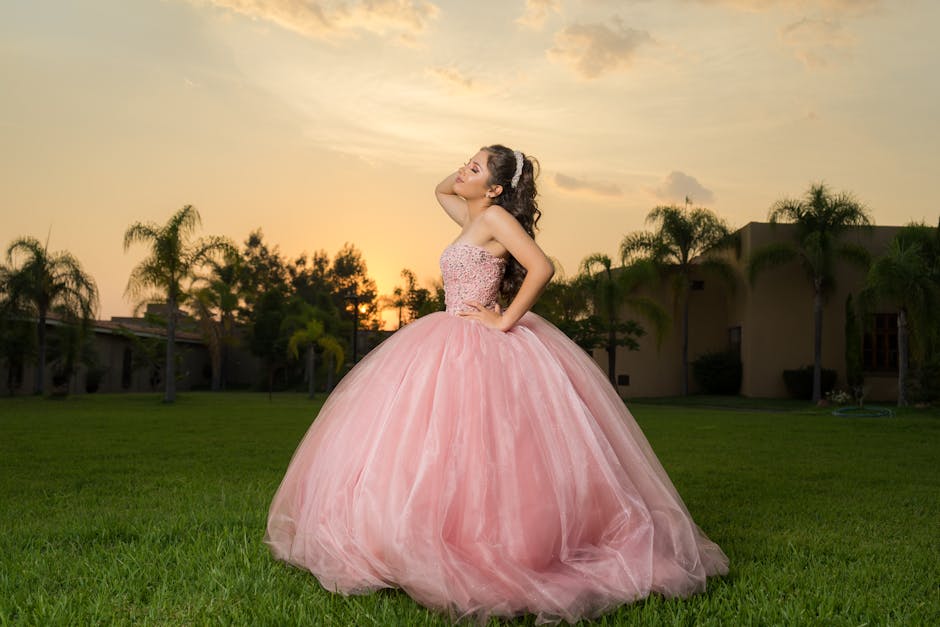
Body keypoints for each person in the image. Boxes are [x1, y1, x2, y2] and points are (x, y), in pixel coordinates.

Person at [264, 144, 728, 623]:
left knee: (491, 443)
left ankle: (496, 542)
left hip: (479, 336)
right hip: (447, 332)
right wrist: (474, 174)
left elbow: (542, 267)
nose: (464, 167)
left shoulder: (495, 221)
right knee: (434, 443)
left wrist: (504, 321)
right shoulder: (471, 218)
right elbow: (440, 189)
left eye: (476, 165)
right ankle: (412, 532)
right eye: (468, 159)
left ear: (497, 189)